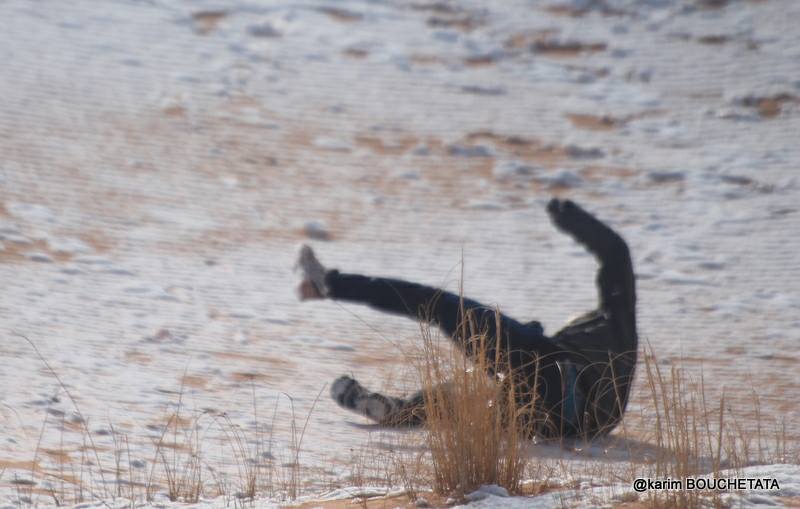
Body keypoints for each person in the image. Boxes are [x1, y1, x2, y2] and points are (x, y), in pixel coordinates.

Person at [296, 198, 637, 439]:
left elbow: (617, 253)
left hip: (550, 378)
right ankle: (398, 412)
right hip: (553, 425)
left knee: (435, 304)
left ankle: (330, 284)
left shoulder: (611, 326)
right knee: (464, 400)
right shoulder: (610, 365)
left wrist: (573, 218)